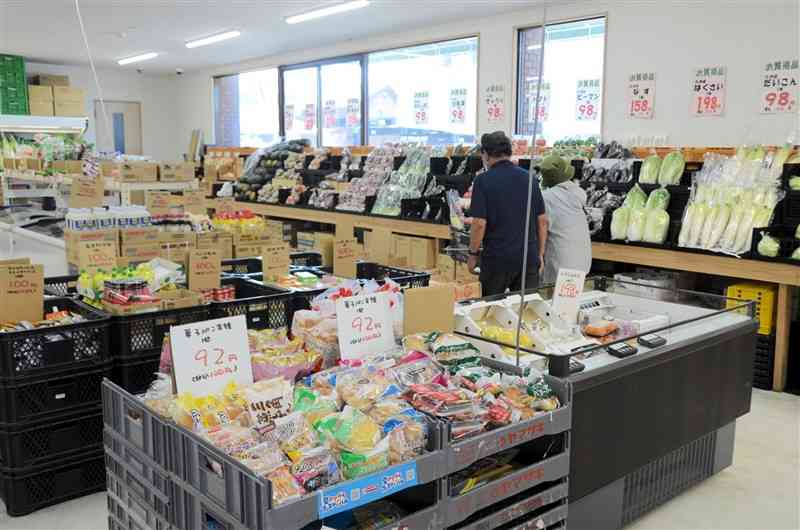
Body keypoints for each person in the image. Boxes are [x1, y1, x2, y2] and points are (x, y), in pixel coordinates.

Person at [468, 131, 548, 296]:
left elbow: (479, 224)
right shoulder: (530, 179)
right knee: (527, 310)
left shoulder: (483, 181)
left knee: (491, 311)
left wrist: (473, 254)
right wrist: (540, 254)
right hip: (527, 257)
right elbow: (542, 221)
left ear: (485, 154)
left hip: (498, 259)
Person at [538, 154, 592, 285]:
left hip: (561, 262)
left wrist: (539, 254)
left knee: (555, 301)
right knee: (571, 301)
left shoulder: (547, 197)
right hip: (582, 260)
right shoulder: (577, 193)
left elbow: (542, 224)